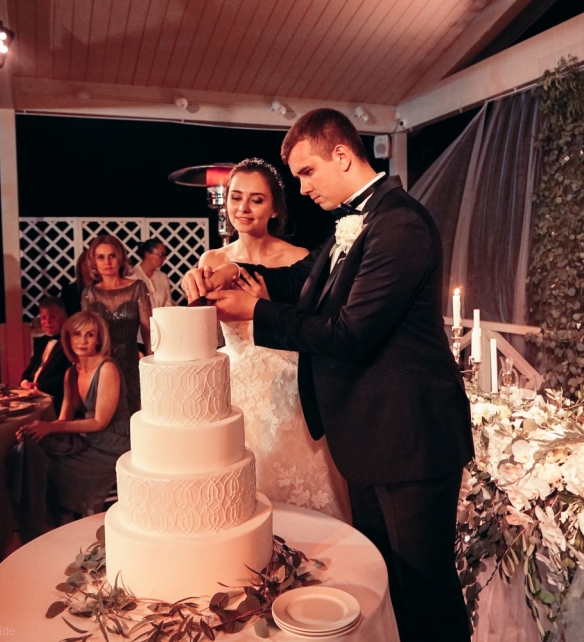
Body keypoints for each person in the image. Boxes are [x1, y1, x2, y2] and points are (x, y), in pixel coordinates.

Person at [183, 109, 474, 642]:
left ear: (341, 155)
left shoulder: (399, 223)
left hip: (409, 438)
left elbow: (351, 333)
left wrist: (255, 312)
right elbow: (302, 278)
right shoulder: (353, 221)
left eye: (307, 171)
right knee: (384, 578)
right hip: (367, 436)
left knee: (424, 588)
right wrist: (237, 271)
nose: (302, 187)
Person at [199, 158, 350, 523]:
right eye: (236, 197)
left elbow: (310, 327)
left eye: (256, 200)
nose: (243, 208)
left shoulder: (299, 260)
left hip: (287, 385)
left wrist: (264, 306)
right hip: (234, 387)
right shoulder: (213, 259)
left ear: (275, 209)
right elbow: (204, 334)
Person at [12, 310, 130, 542]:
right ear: (68, 338)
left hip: (113, 443)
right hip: (87, 437)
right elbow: (64, 418)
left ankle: (59, 524)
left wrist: (51, 428)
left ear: (99, 339)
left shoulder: (107, 368)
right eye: (77, 334)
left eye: (90, 335)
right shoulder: (70, 373)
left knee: (55, 468)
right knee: (29, 447)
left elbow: (100, 422)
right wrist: (39, 427)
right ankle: (32, 525)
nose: (83, 341)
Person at [81, 235, 151, 414]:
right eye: (101, 257)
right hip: (101, 363)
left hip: (130, 362)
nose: (107, 262)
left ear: (120, 258)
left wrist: (152, 362)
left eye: (112, 255)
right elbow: (86, 335)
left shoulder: (137, 288)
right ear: (94, 262)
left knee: (132, 413)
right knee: (104, 415)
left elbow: (148, 330)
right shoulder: (89, 294)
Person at [20, 296, 71, 416]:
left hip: (54, 401)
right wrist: (24, 382)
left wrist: (40, 387)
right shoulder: (41, 342)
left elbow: (67, 375)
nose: (47, 321)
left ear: (64, 317)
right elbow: (30, 369)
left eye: (52, 317)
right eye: (43, 317)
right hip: (32, 397)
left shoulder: (70, 342)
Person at [132, 239, 176, 309]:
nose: (164, 259)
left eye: (164, 255)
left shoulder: (163, 277)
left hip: (160, 316)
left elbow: (168, 305)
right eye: (160, 255)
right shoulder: (132, 275)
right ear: (147, 254)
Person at [60, 249, 94, 317]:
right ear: (79, 267)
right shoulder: (68, 290)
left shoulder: (102, 289)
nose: (89, 268)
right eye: (86, 265)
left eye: (92, 265)